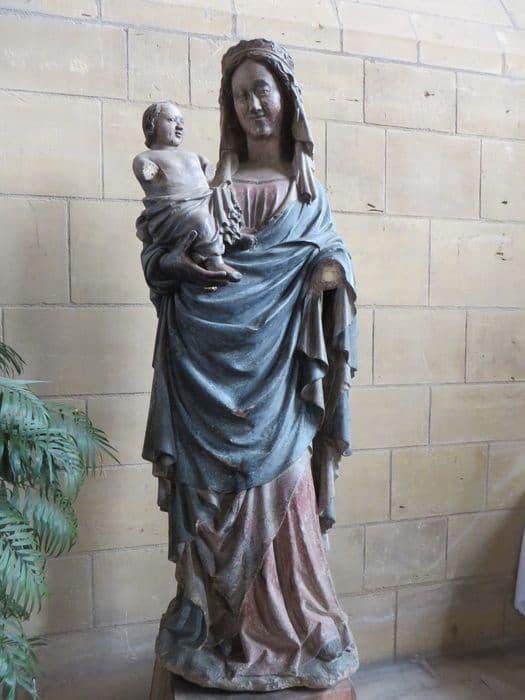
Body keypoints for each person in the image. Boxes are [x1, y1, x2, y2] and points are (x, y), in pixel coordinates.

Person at [139, 39, 359, 692]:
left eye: (262, 89)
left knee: (288, 490)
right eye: (240, 95)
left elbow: (333, 254)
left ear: (286, 97)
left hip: (278, 381)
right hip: (203, 365)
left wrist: (330, 272)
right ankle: (213, 626)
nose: (253, 104)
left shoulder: (308, 192)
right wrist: (177, 266)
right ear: (228, 108)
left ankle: (299, 622)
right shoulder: (210, 189)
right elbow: (160, 260)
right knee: (210, 503)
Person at [134, 101, 247, 284]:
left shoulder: (191, 155)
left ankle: (231, 235)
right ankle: (215, 261)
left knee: (222, 195)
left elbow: (211, 173)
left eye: (181, 122)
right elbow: (145, 171)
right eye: (171, 120)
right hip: (175, 210)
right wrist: (147, 170)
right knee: (201, 219)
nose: (179, 127)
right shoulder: (147, 157)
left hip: (203, 200)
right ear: (151, 125)